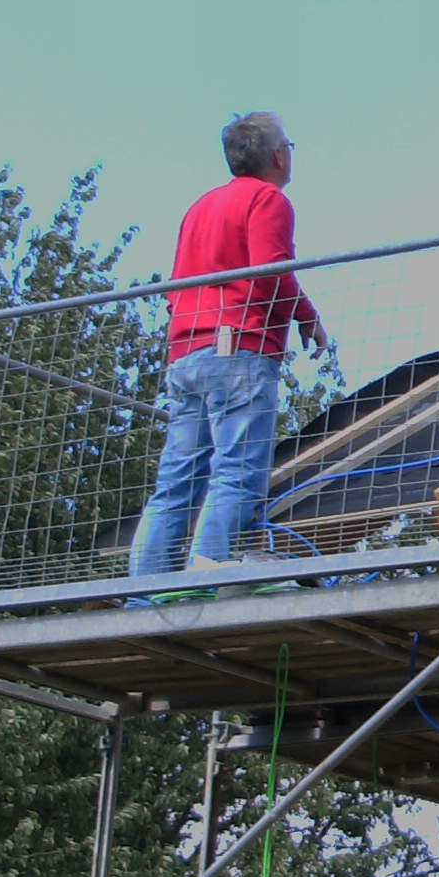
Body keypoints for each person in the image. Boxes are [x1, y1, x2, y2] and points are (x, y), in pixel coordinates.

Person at [129, 112, 330, 591]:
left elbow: (181, 282)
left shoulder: (201, 206)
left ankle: (144, 594)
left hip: (187, 351)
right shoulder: (268, 200)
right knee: (238, 472)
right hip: (238, 347)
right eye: (290, 146)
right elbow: (270, 271)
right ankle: (206, 579)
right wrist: (307, 317)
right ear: (278, 156)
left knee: (177, 481)